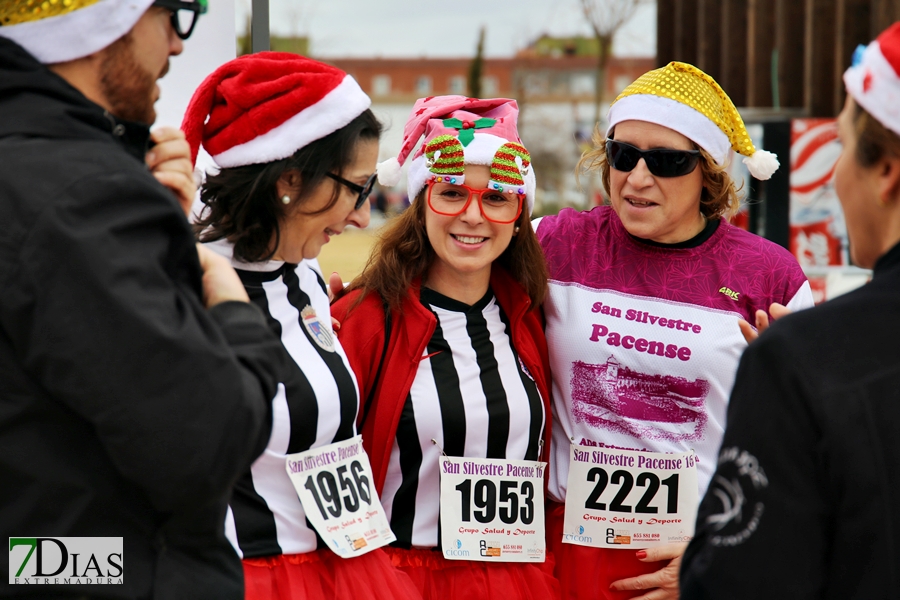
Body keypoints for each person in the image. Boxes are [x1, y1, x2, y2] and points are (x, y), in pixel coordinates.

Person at [0, 1, 291, 598]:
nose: (178, 47)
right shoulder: (86, 196)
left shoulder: (51, 174)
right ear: (101, 22)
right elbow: (208, 442)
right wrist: (232, 308)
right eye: (173, 14)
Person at [533, 62, 815, 599]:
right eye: (623, 154)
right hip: (568, 553)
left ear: (708, 171)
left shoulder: (771, 275)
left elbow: (811, 450)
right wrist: (334, 315)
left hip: (701, 556)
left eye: (666, 161)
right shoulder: (556, 242)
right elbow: (447, 272)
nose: (637, 178)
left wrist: (725, 545)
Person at [183, 53, 421, 600]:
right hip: (245, 575)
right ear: (289, 181)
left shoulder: (305, 273)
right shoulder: (183, 283)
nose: (364, 216)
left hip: (341, 566)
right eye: (356, 188)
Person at [681, 22, 900, 598]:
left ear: (885, 172)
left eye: (842, 149)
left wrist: (699, 561)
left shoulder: (806, 359)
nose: (833, 174)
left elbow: (744, 580)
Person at [331, 96, 560, 600]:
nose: (473, 216)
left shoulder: (531, 316)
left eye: (497, 198)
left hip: (515, 580)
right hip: (401, 581)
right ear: (420, 203)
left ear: (519, 213)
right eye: (452, 193)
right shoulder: (363, 320)